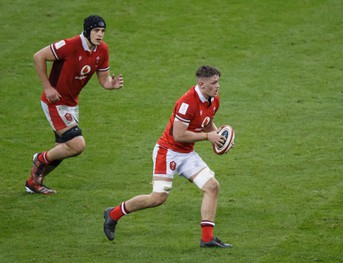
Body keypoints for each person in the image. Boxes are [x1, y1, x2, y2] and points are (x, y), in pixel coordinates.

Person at [103, 65, 232, 248]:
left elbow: (206, 120)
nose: (218, 86)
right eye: (214, 82)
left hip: (186, 153)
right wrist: (207, 137)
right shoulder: (186, 103)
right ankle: (113, 214)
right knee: (157, 198)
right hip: (168, 152)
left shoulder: (213, 99)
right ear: (202, 85)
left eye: (218, 81)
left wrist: (218, 137)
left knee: (212, 187)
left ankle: (207, 239)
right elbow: (178, 135)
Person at [25, 15, 124, 195]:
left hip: (71, 104)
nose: (100, 34)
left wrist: (111, 84)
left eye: (102, 31)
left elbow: (104, 79)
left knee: (63, 150)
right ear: (87, 31)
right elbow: (38, 56)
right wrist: (47, 87)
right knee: (77, 145)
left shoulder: (102, 50)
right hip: (54, 102)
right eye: (96, 30)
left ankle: (34, 182)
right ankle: (39, 159)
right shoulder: (69, 45)